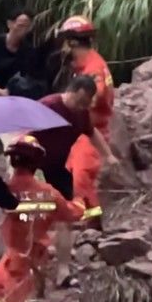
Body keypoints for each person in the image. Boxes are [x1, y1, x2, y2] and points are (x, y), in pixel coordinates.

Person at [0, 135, 86, 302]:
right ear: (36, 164)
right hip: (31, 260)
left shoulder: (5, 191)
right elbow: (72, 214)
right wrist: (80, 199)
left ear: (11, 161)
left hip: (17, 262)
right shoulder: (48, 193)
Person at [30, 75, 119, 284]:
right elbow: (25, 133)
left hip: (58, 167)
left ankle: (63, 270)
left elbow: (92, 132)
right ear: (71, 90)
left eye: (85, 104)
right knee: (33, 217)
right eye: (79, 101)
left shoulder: (81, 115)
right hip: (34, 165)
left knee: (66, 217)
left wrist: (109, 155)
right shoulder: (48, 106)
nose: (81, 107)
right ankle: (28, 266)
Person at [58, 15, 118, 230]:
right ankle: (89, 218)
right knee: (73, 171)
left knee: (81, 176)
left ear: (72, 42)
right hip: (83, 130)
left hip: (91, 130)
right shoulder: (87, 64)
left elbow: (95, 95)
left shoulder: (93, 68)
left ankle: (88, 221)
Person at [0, 7, 46, 100]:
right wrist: (0, 92)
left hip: (15, 98)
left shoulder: (29, 49)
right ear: (9, 24)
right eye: (20, 26)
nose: (24, 30)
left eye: (27, 27)